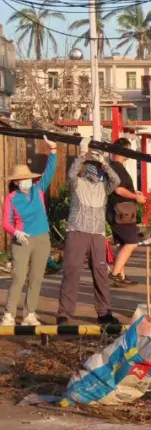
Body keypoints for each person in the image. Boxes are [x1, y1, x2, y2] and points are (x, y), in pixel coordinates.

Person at [57, 138, 122, 326]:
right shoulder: (77, 183)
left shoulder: (104, 188)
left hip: (97, 235)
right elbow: (70, 174)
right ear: (86, 168)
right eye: (92, 167)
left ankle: (104, 313)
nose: (96, 171)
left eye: (98, 168)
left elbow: (116, 180)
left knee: (100, 274)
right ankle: (64, 314)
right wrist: (82, 155)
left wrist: (104, 163)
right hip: (77, 232)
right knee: (71, 272)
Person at [2, 136, 57, 326]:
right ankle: (9, 314)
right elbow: (5, 222)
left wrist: (53, 151)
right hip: (22, 240)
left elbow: (49, 172)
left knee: (36, 277)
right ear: (16, 182)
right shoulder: (11, 198)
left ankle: (29, 314)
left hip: (42, 238)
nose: (25, 181)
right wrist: (15, 232)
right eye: (21, 179)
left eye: (27, 178)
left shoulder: (38, 190)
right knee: (18, 277)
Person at [106, 138, 148, 286]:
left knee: (122, 244)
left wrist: (134, 192)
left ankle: (121, 278)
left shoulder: (118, 167)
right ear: (120, 150)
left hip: (121, 211)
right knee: (131, 242)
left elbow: (123, 188)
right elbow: (118, 189)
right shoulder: (116, 167)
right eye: (127, 149)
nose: (129, 152)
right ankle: (115, 274)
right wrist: (135, 197)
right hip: (120, 212)